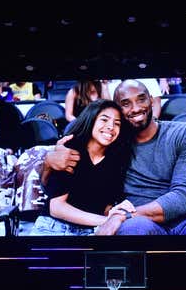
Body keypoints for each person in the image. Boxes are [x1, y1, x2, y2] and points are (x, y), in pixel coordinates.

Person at [45, 79, 186, 236]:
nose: (135, 108)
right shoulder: (113, 142)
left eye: (141, 99)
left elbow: (183, 198)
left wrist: (120, 216)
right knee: (133, 231)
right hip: (139, 221)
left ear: (152, 101)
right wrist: (48, 161)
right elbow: (81, 162)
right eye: (125, 103)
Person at [30, 99, 135, 236]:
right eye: (104, 120)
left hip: (91, 230)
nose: (111, 127)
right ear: (91, 120)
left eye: (117, 123)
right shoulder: (70, 149)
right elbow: (56, 208)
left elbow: (106, 205)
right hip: (53, 226)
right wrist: (108, 220)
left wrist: (116, 213)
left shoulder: (118, 158)